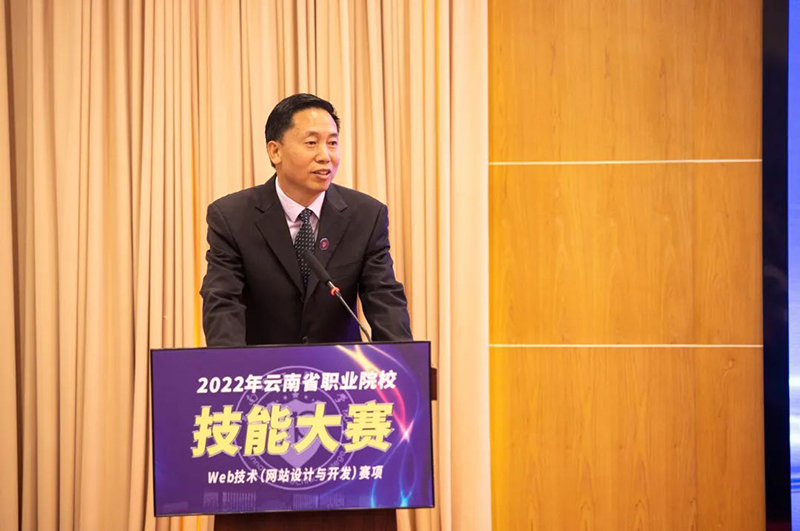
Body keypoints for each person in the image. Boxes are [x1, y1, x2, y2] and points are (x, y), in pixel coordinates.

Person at [200, 93, 412, 347]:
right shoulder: (232, 218)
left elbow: (385, 299)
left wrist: (402, 363)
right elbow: (223, 302)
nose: (325, 156)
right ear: (275, 151)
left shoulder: (366, 216)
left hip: (337, 368)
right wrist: (230, 365)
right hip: (264, 368)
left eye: (332, 143)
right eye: (311, 143)